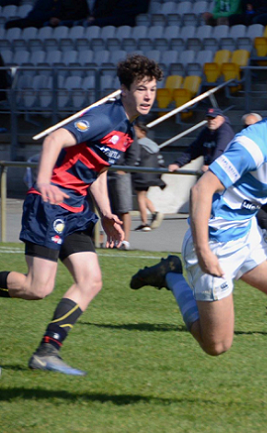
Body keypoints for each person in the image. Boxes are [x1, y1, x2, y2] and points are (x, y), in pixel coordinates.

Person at [130, 67, 267, 411]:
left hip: (247, 236)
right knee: (216, 345)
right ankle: (172, 275)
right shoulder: (252, 144)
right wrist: (202, 250)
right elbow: (202, 190)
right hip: (213, 241)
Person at [0, 54, 162, 375]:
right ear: (124, 90)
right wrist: (44, 180)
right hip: (52, 204)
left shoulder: (127, 129)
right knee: (37, 288)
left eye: (153, 90)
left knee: (91, 281)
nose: (147, 96)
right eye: (141, 89)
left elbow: (97, 171)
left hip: (77, 210)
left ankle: (47, 351)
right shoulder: (106, 116)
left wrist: (106, 213)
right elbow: (55, 138)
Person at [168, 108, 235, 175]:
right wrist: (178, 163)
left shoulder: (225, 132)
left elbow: (221, 150)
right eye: (209, 118)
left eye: (214, 118)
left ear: (222, 119)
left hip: (226, 173)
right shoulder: (206, 132)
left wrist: (212, 166)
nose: (211, 121)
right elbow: (194, 149)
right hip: (212, 170)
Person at [107, 122, 140, 250]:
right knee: (110, 211)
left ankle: (125, 240)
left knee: (124, 208)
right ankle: (115, 239)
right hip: (106, 171)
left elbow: (134, 151)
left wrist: (124, 168)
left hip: (121, 174)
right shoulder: (106, 126)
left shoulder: (128, 128)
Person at [132, 121, 166, 232]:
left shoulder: (138, 144)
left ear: (143, 132)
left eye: (135, 130)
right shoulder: (153, 144)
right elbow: (160, 161)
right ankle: (155, 213)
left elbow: (134, 160)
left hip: (141, 175)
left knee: (140, 198)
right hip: (151, 174)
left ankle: (144, 223)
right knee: (143, 195)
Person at [4, 0, 88, 29]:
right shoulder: (45, 1)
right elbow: (33, 14)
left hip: (58, 21)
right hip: (42, 19)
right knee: (11, 24)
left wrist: (60, 19)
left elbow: (80, 13)